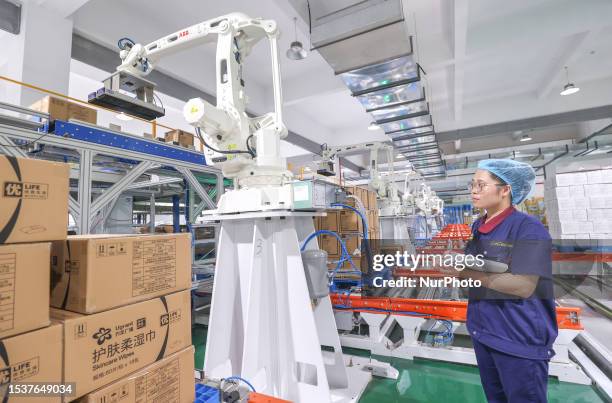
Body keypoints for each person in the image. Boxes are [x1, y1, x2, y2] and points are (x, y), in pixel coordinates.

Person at [457, 159, 557, 403]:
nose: (473, 190)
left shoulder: (529, 230)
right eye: (473, 184)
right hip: (484, 332)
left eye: (481, 185)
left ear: (505, 189)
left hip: (518, 338)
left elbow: (522, 286)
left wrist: (464, 273)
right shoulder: (479, 227)